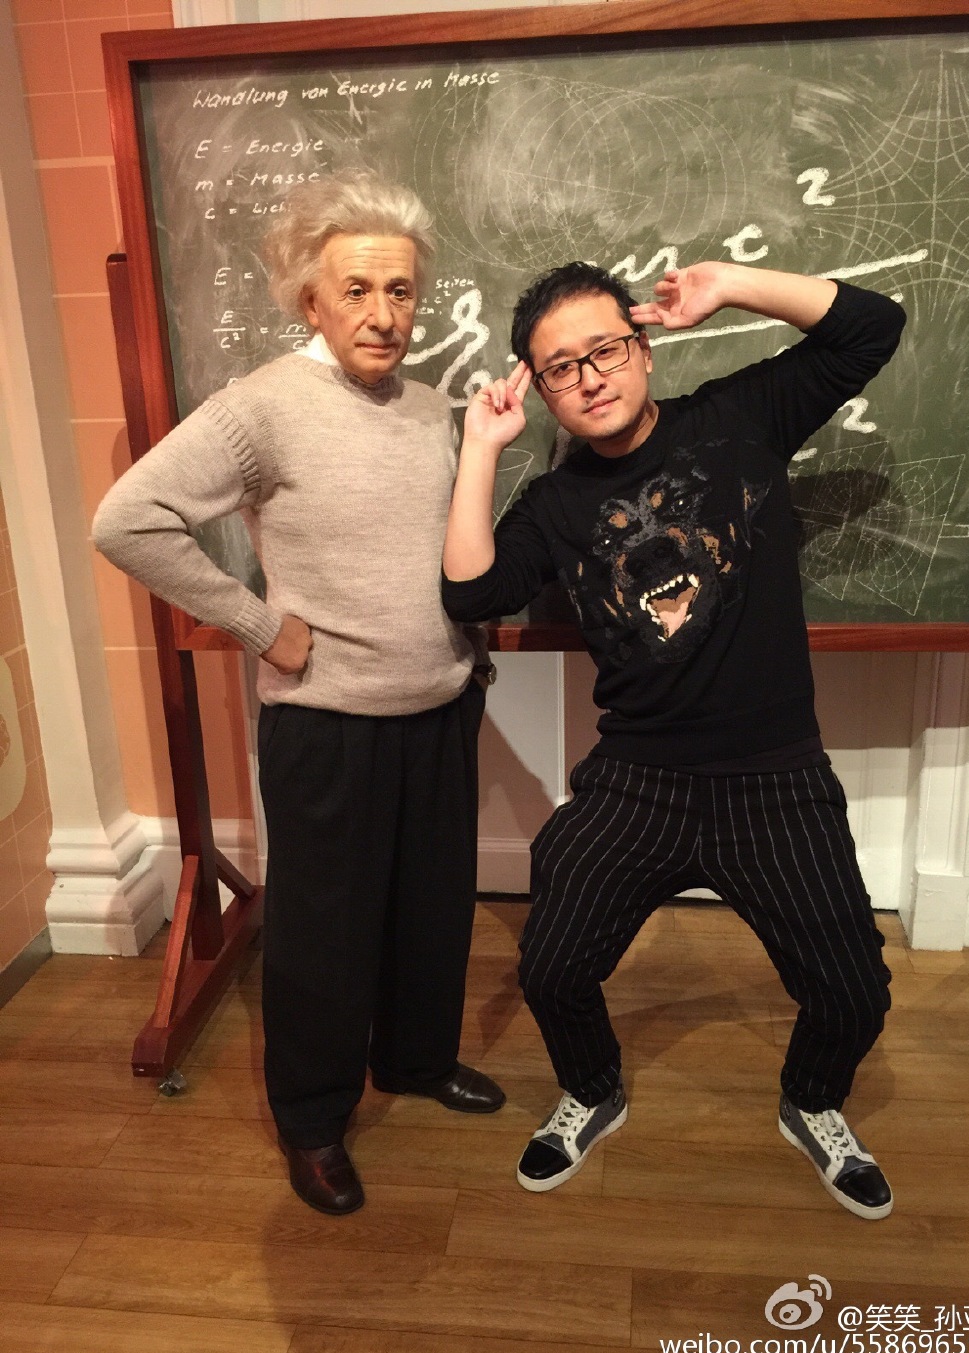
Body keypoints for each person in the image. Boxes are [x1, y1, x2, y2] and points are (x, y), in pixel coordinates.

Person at [441, 259, 905, 1220]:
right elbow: (471, 592)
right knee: (551, 967)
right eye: (560, 367)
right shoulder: (556, 506)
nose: (590, 377)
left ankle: (812, 1099)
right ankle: (593, 1086)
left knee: (856, 991)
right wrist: (480, 447)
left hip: (774, 776)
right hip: (637, 777)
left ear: (643, 347)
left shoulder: (739, 419)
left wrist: (729, 284)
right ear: (542, 389)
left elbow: (873, 326)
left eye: (605, 349)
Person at [93, 173, 504, 1217]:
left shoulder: (431, 410)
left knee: (430, 909)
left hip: (439, 709)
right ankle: (313, 1120)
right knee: (324, 936)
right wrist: (257, 624)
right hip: (327, 724)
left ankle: (414, 1059)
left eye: (401, 291)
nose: (383, 313)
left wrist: (467, 649)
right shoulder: (264, 406)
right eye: (357, 290)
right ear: (311, 299)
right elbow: (127, 520)